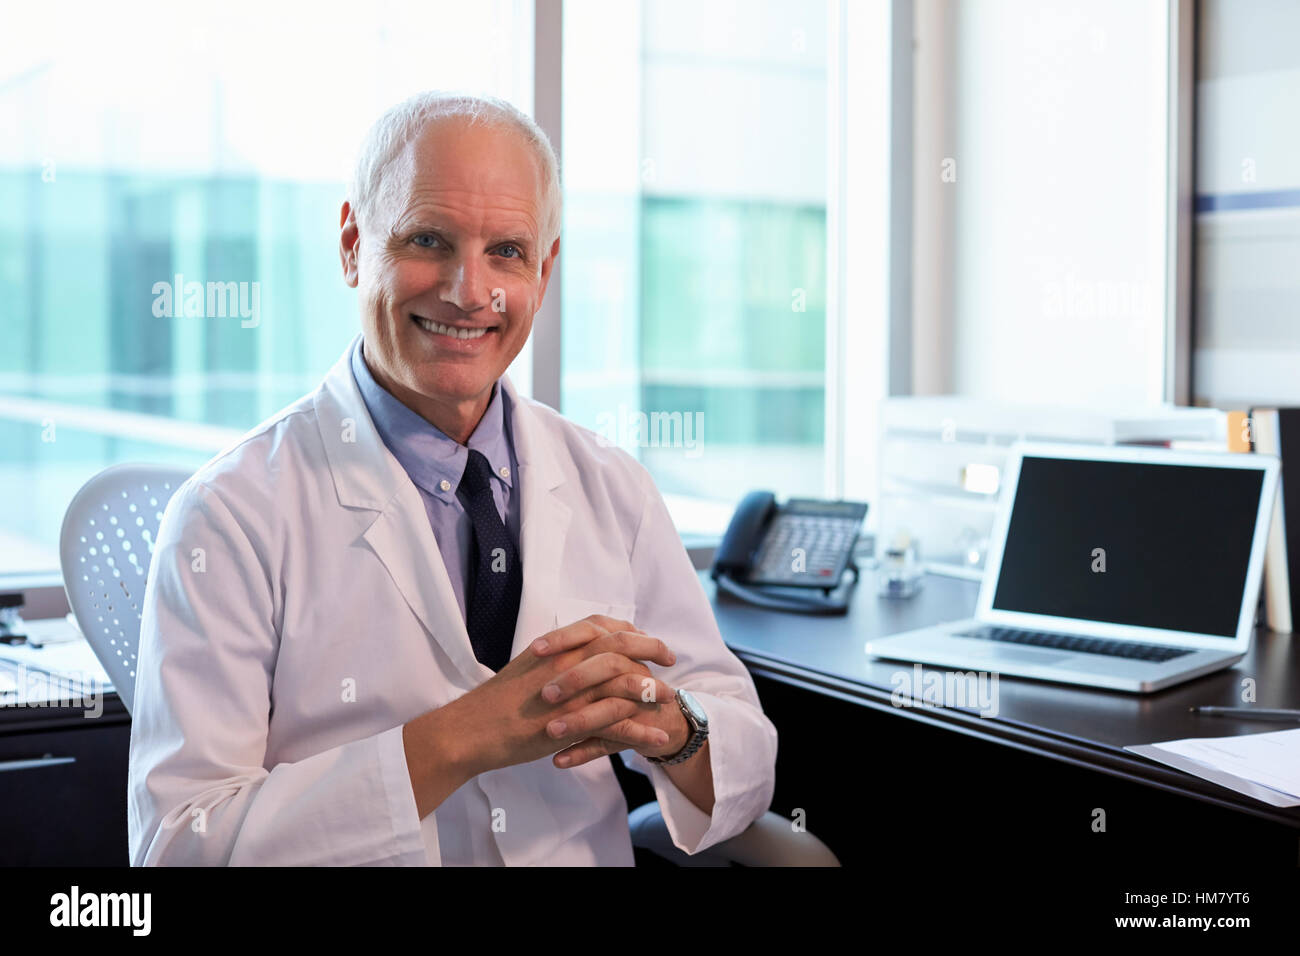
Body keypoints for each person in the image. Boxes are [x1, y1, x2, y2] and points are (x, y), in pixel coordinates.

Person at [128, 91, 777, 866]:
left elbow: (745, 755)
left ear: (546, 267)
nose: (470, 292)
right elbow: (179, 845)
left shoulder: (612, 485)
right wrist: (462, 738)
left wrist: (674, 729)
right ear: (351, 245)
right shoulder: (229, 514)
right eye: (428, 240)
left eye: (507, 251)